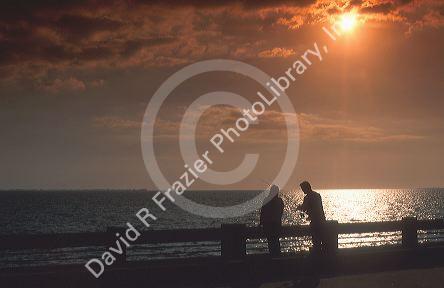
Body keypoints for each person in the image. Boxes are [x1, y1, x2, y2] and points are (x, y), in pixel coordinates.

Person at [297, 181, 326, 253]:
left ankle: (317, 254)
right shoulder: (317, 195)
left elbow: (304, 208)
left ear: (306, 188)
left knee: (316, 240)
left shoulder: (307, 197)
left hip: (315, 222)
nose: (302, 190)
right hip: (322, 220)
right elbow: (317, 208)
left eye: (303, 188)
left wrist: (298, 208)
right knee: (322, 239)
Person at [260, 184, 284, 257]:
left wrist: (261, 222)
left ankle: (273, 256)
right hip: (277, 224)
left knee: (271, 241)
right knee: (276, 241)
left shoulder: (266, 200)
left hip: (268, 225)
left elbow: (263, 212)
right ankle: (277, 256)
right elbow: (281, 212)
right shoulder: (280, 201)